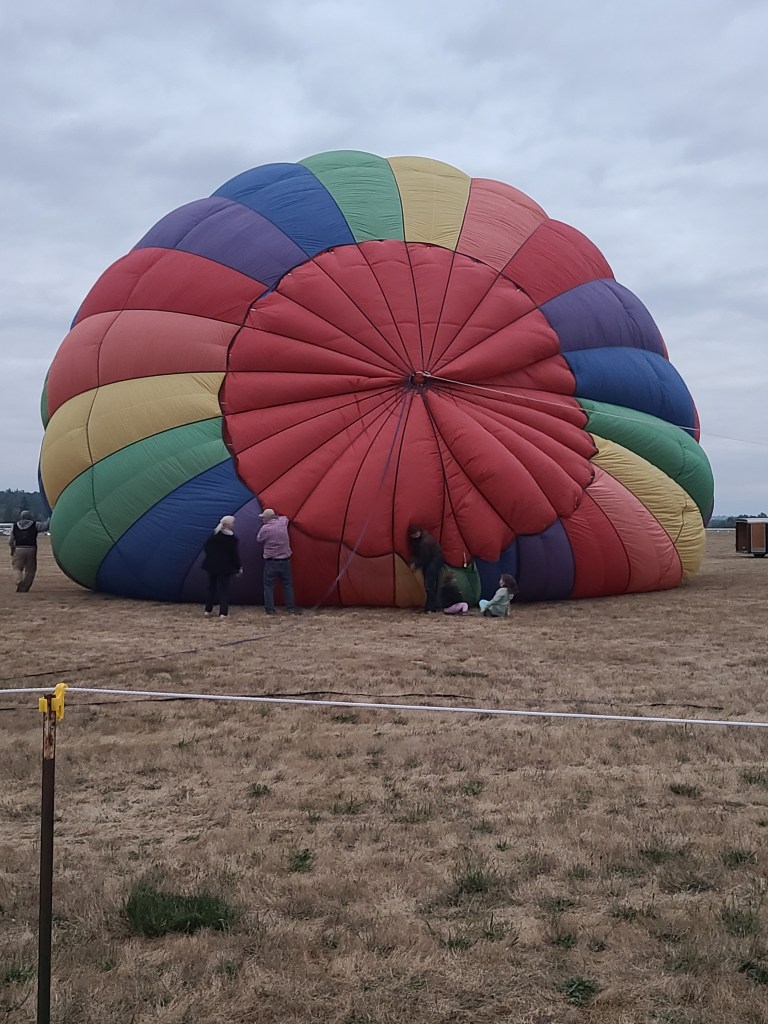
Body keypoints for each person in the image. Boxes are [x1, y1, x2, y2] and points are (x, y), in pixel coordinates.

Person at [256, 508, 297, 614]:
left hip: (271, 562)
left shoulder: (265, 529)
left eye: (264, 517)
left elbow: (259, 539)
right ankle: (290, 608)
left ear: (267, 518)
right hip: (285, 560)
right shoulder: (282, 523)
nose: (262, 519)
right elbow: (285, 518)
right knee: (287, 585)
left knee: (269, 586)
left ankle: (270, 609)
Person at [201, 515, 241, 619]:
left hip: (211, 566)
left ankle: (208, 610)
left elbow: (206, 549)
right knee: (224, 590)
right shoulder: (231, 539)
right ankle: (223, 613)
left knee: (211, 588)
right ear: (228, 525)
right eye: (233, 523)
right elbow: (234, 555)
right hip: (225, 568)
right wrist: (238, 567)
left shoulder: (213, 537)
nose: (233, 525)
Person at [10, 510, 50, 593]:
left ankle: (19, 580)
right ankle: (25, 587)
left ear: (21, 517)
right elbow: (45, 526)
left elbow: (11, 541)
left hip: (19, 549)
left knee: (17, 567)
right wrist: (50, 518)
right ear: (30, 516)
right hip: (31, 549)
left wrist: (12, 549)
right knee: (30, 570)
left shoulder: (15, 526)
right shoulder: (35, 525)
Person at [409, 525, 444, 612]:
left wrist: (415, 564)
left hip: (434, 560)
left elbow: (424, 557)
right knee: (430, 583)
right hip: (432, 560)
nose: (416, 536)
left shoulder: (425, 542)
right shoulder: (420, 540)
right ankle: (431, 606)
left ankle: (431, 606)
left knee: (429, 583)